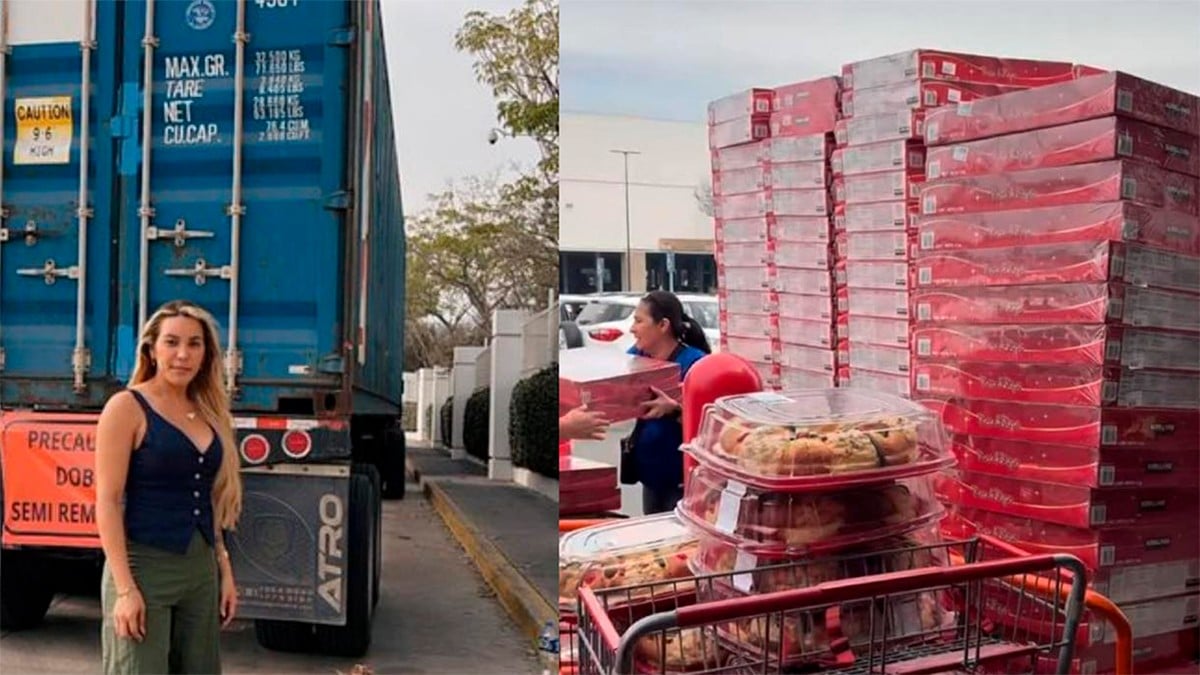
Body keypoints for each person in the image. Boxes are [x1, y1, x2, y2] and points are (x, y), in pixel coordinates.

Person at [94, 300, 244, 674]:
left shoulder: (209, 411)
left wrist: (224, 569)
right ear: (151, 349)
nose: (183, 354)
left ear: (206, 354)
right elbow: (108, 502)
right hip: (143, 567)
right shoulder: (126, 407)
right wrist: (125, 590)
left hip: (200, 571)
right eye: (172, 342)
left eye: (195, 344)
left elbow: (210, 498)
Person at [625, 290, 711, 515]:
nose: (632, 329)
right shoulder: (635, 356)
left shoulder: (695, 364)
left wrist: (675, 410)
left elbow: (709, 425)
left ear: (663, 325)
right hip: (650, 477)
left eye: (639, 321)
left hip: (683, 480)